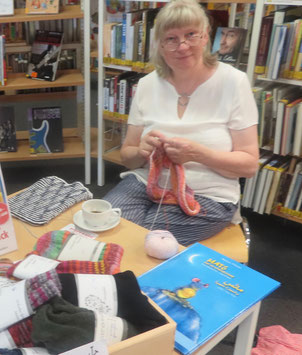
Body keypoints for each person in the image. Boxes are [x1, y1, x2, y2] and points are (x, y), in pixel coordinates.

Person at [104, 0, 258, 245]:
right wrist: (141, 150)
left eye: (191, 35)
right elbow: (128, 156)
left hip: (208, 194)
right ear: (160, 45)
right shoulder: (146, 85)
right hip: (146, 183)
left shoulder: (233, 82)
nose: (182, 46)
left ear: (206, 36)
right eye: (171, 39)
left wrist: (198, 154)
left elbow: (249, 165)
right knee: (108, 228)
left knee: (148, 244)